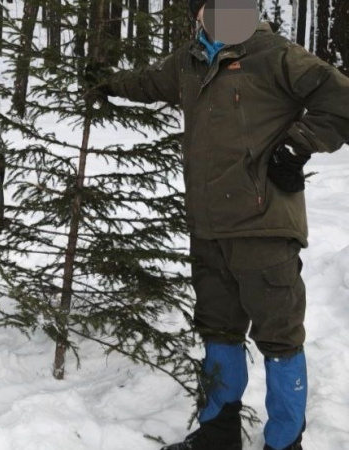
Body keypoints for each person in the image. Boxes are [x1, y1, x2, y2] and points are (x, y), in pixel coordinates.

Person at [95, 0, 349, 449]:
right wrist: (105, 81)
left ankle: (285, 442)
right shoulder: (190, 62)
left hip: (263, 225)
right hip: (208, 227)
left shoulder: (276, 55)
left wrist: (299, 145)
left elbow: (341, 99)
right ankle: (218, 433)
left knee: (279, 338)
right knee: (218, 330)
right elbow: (145, 81)